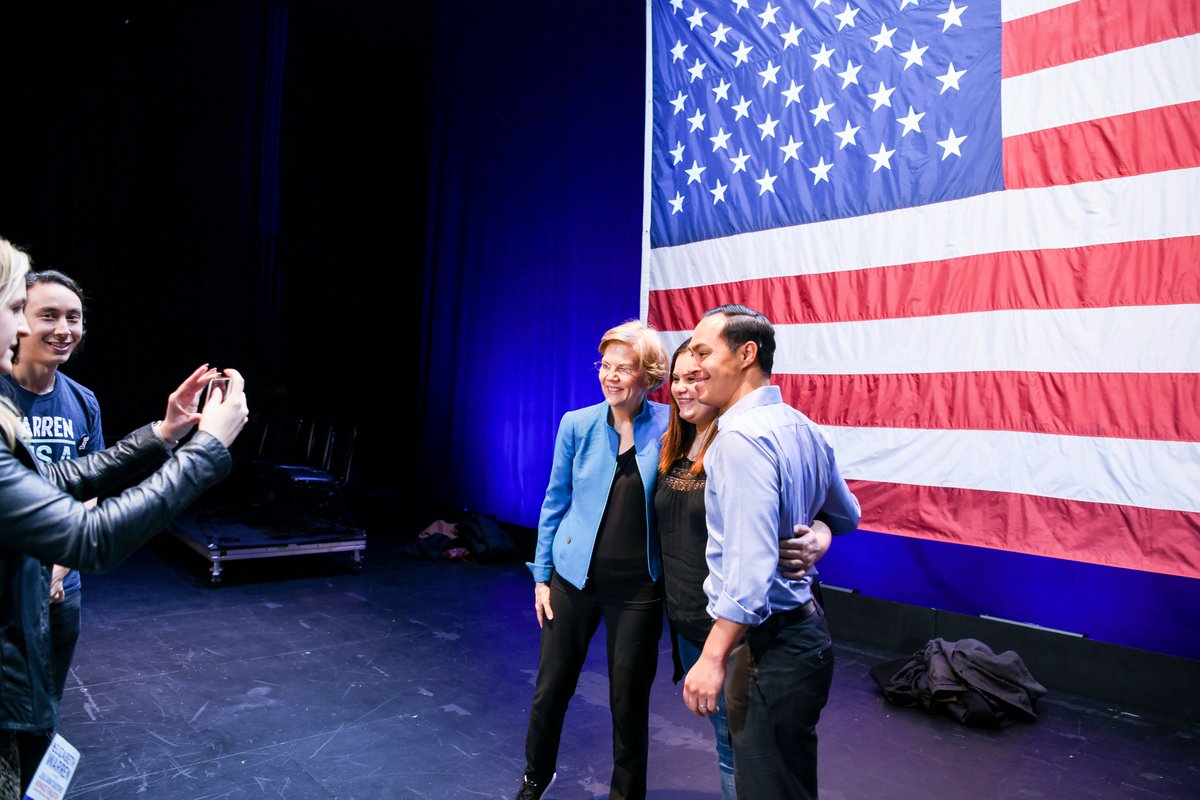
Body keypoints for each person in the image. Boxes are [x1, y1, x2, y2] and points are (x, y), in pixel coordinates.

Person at [0, 237, 249, 798]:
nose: (34, 329)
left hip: (44, 593)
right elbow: (89, 535)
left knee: (39, 718)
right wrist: (207, 447)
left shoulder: (80, 399)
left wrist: (164, 433)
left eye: (73, 317)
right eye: (20, 309)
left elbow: (61, 482)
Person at [681, 304, 860, 800]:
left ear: (746, 354)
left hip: (772, 650)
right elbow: (846, 515)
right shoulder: (803, 426)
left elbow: (750, 573)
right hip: (807, 637)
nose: (693, 366)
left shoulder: (738, 441)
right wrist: (819, 536)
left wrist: (712, 657)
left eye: (702, 352)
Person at [655, 338, 832, 800]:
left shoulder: (738, 443)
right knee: (732, 743)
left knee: (743, 751)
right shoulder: (669, 445)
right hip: (689, 619)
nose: (686, 386)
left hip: (734, 628)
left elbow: (758, 562)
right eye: (677, 378)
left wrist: (819, 535)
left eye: (697, 373)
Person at [516, 319, 670, 800]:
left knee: (628, 702)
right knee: (550, 691)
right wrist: (541, 577)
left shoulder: (672, 425)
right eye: (606, 365)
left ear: (647, 374)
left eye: (624, 368)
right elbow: (554, 502)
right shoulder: (576, 424)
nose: (611, 376)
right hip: (572, 580)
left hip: (639, 589)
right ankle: (535, 777)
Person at [1, 269, 102, 786]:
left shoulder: (83, 403)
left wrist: (59, 571)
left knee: (46, 705)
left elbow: (90, 494)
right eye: (48, 315)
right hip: (7, 590)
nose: (64, 328)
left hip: (63, 590)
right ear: (19, 319)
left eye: (74, 317)